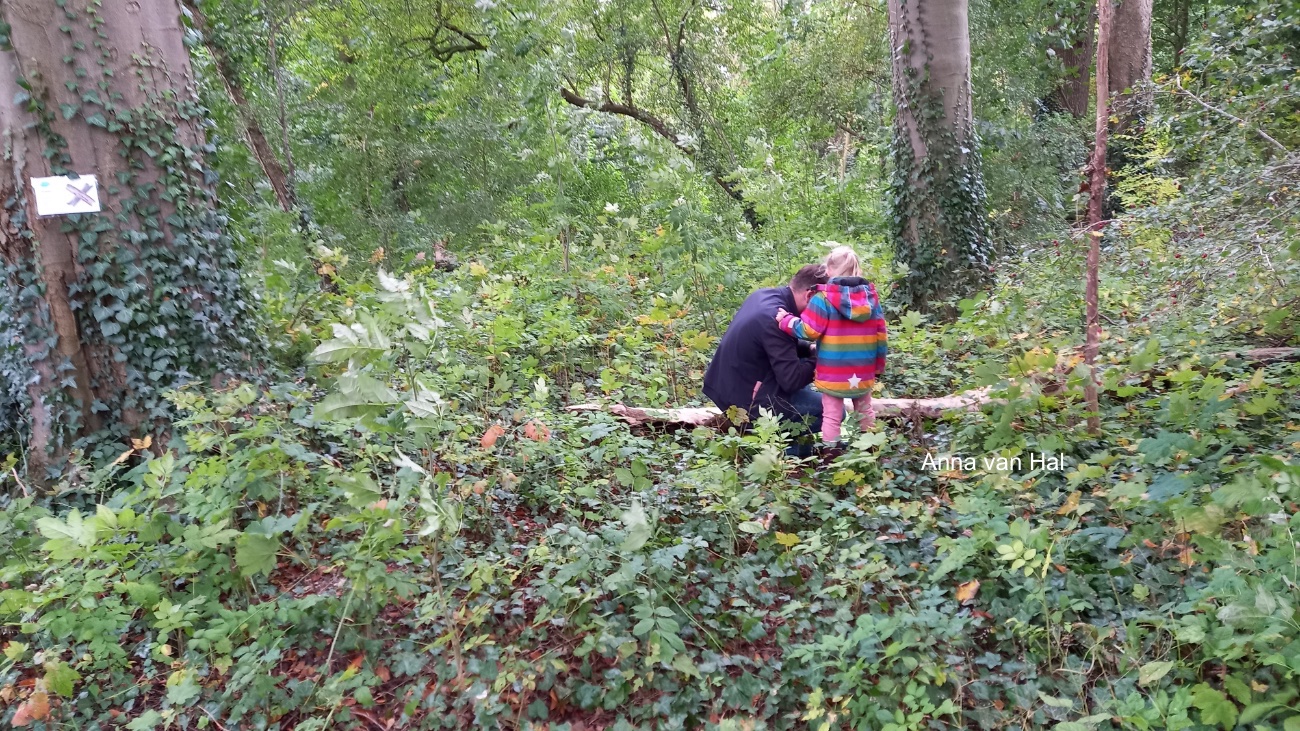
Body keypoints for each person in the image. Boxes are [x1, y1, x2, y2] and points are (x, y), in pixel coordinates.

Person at [775, 246, 887, 449]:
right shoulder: (871, 298)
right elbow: (881, 333)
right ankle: (872, 450)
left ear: (829, 270)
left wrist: (786, 321)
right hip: (862, 370)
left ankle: (831, 455)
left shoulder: (823, 298)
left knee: (832, 417)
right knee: (865, 411)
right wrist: (878, 365)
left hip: (834, 372)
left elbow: (809, 330)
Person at [703, 264, 829, 441]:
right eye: (825, 305)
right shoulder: (774, 321)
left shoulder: (765, 296)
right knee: (833, 411)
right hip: (746, 403)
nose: (827, 313)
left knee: (803, 362)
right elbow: (791, 380)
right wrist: (825, 357)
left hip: (730, 385)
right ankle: (778, 448)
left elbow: (777, 344)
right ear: (809, 295)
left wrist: (809, 349)